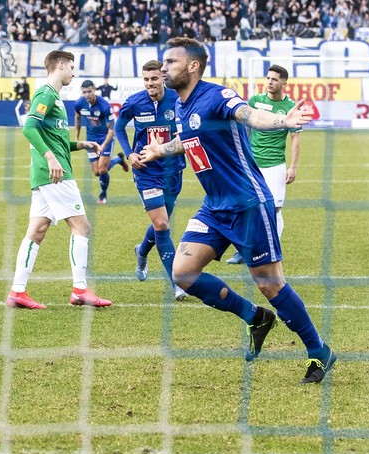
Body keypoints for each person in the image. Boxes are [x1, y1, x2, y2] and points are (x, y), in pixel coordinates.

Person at [139, 37, 336, 384]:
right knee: (182, 273)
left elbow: (251, 116)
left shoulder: (216, 96)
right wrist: (161, 151)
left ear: (193, 66)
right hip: (214, 207)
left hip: (247, 204)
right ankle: (255, 318)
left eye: (171, 62)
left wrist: (282, 122)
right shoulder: (182, 106)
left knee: (270, 284)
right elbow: (189, 141)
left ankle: (319, 350)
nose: (164, 67)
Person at [6, 50, 112, 309]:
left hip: (44, 175)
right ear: (61, 65)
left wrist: (80, 143)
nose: (74, 73)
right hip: (55, 174)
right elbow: (29, 127)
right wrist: (51, 158)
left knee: (37, 231)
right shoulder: (45, 93)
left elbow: (56, 138)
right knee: (82, 227)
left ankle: (17, 292)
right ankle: (80, 290)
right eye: (72, 68)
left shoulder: (54, 97)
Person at [114, 60, 188, 301]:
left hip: (172, 169)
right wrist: (129, 153)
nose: (149, 84)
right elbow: (118, 127)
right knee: (162, 225)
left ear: (162, 78)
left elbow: (185, 128)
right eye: (146, 79)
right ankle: (178, 283)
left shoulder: (176, 99)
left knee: (161, 222)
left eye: (154, 79)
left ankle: (142, 250)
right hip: (145, 170)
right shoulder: (134, 102)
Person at [227, 64, 301, 265]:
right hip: (251, 164)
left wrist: (293, 167)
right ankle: (244, 250)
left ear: (284, 82)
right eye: (268, 78)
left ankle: (271, 249)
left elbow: (295, 138)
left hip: (275, 164)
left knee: (274, 208)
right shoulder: (255, 101)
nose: (269, 82)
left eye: (274, 79)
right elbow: (246, 131)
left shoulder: (290, 108)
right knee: (246, 206)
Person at [74, 79, 129, 204]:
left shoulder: (104, 106)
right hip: (90, 139)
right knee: (96, 172)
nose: (87, 95)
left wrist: (103, 146)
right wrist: (76, 138)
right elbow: (77, 119)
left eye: (89, 91)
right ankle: (118, 159)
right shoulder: (79, 104)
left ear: (94, 89)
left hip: (105, 138)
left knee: (103, 170)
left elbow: (111, 130)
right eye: (84, 92)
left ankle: (103, 195)